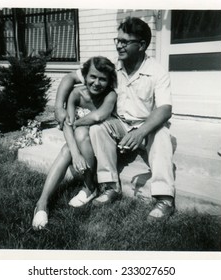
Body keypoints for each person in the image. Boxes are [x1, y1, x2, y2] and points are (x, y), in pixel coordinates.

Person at [88, 17, 175, 220]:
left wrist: (141, 131)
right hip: (120, 125)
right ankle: (110, 186)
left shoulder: (157, 71)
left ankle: (165, 199)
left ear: (142, 45)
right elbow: (76, 76)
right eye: (117, 40)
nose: (119, 45)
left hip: (147, 128)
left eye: (125, 42)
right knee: (97, 128)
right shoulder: (112, 67)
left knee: (162, 134)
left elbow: (165, 109)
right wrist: (60, 104)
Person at [32, 56, 118, 230]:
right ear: (84, 76)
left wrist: (73, 124)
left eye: (103, 79)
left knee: (79, 131)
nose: (96, 82)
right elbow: (66, 125)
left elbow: (98, 116)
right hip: (81, 143)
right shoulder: (76, 94)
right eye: (93, 77)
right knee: (67, 151)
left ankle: (90, 186)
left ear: (109, 82)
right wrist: (76, 154)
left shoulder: (110, 95)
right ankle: (42, 204)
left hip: (102, 142)